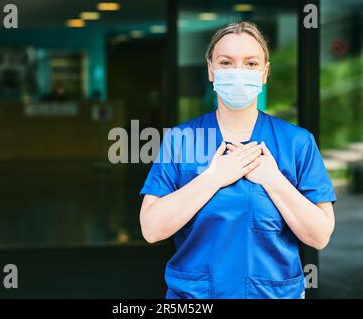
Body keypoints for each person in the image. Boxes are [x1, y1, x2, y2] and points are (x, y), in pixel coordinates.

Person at [139, 21, 337, 299]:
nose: (238, 72)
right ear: (211, 70)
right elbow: (151, 228)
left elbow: (319, 236)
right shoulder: (181, 140)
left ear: (265, 72)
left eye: (251, 63)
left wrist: (274, 181)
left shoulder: (297, 142)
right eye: (226, 62)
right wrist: (213, 178)